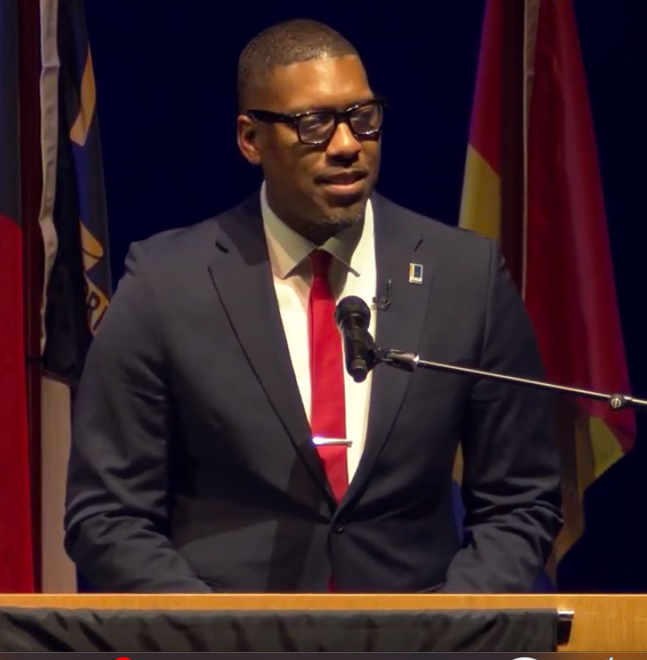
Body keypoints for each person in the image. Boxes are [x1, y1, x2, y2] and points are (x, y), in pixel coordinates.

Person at [64, 18, 562, 594]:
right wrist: (218, 637)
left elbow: (521, 498)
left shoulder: (465, 276)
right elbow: (107, 515)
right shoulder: (165, 283)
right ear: (251, 139)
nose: (348, 145)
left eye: (362, 117)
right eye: (314, 124)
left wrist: (448, 628)